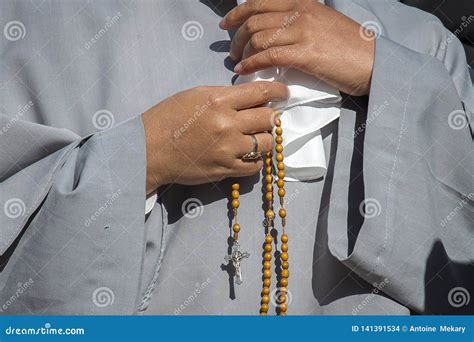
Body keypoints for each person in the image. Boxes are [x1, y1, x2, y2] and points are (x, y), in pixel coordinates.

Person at [0, 0, 472, 315]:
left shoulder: (417, 41)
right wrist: (141, 156)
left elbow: (459, 266)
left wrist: (389, 75)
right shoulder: (34, 27)